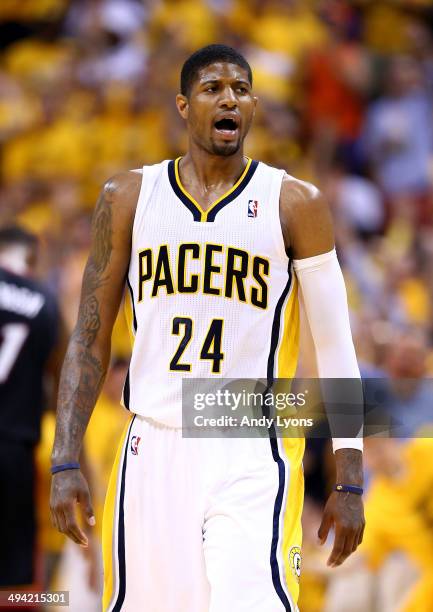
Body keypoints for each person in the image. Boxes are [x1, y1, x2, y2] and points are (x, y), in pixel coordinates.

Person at [50, 44, 365, 611]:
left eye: (241, 90)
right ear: (182, 104)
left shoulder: (295, 204)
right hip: (152, 441)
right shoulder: (128, 197)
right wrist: (66, 458)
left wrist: (349, 477)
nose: (230, 100)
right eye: (213, 88)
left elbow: (338, 347)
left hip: (249, 442)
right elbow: (88, 335)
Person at [0, 225, 64, 589]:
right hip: (16, 453)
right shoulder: (46, 304)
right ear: (32, 258)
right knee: (16, 587)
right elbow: (63, 390)